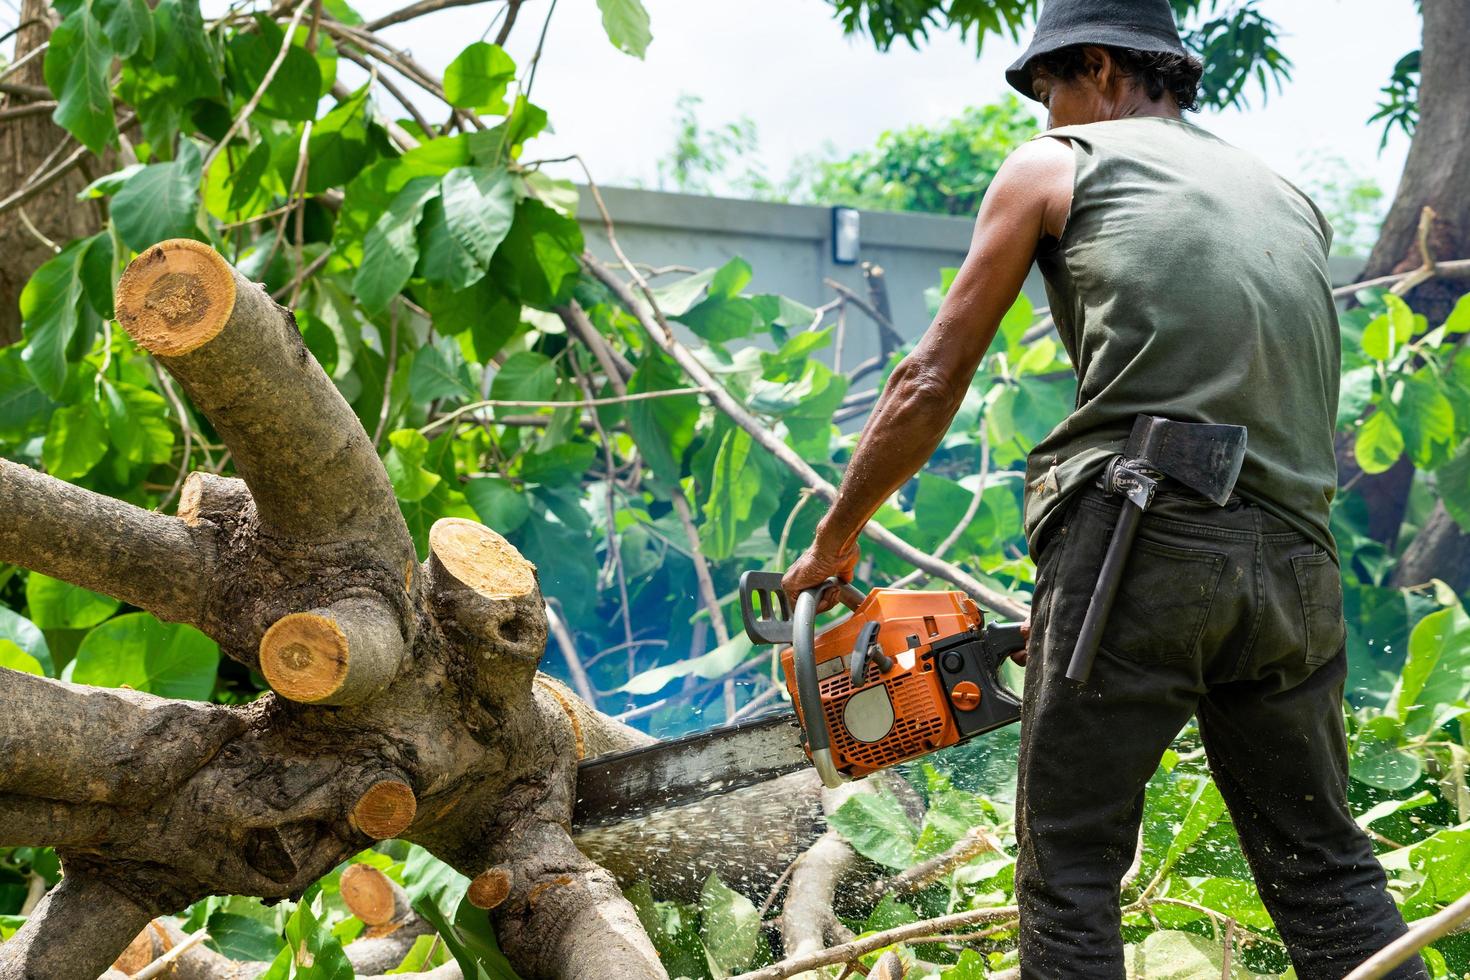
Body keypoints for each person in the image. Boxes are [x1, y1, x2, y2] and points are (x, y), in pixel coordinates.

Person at [780, 1, 1427, 976]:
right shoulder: (1285, 194)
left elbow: (928, 379)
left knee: (1072, 866)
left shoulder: (1056, 162)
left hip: (1144, 523)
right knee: (1328, 870)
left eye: (1051, 91)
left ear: (1096, 65)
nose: (1047, 116)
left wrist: (835, 541)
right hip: (1296, 564)